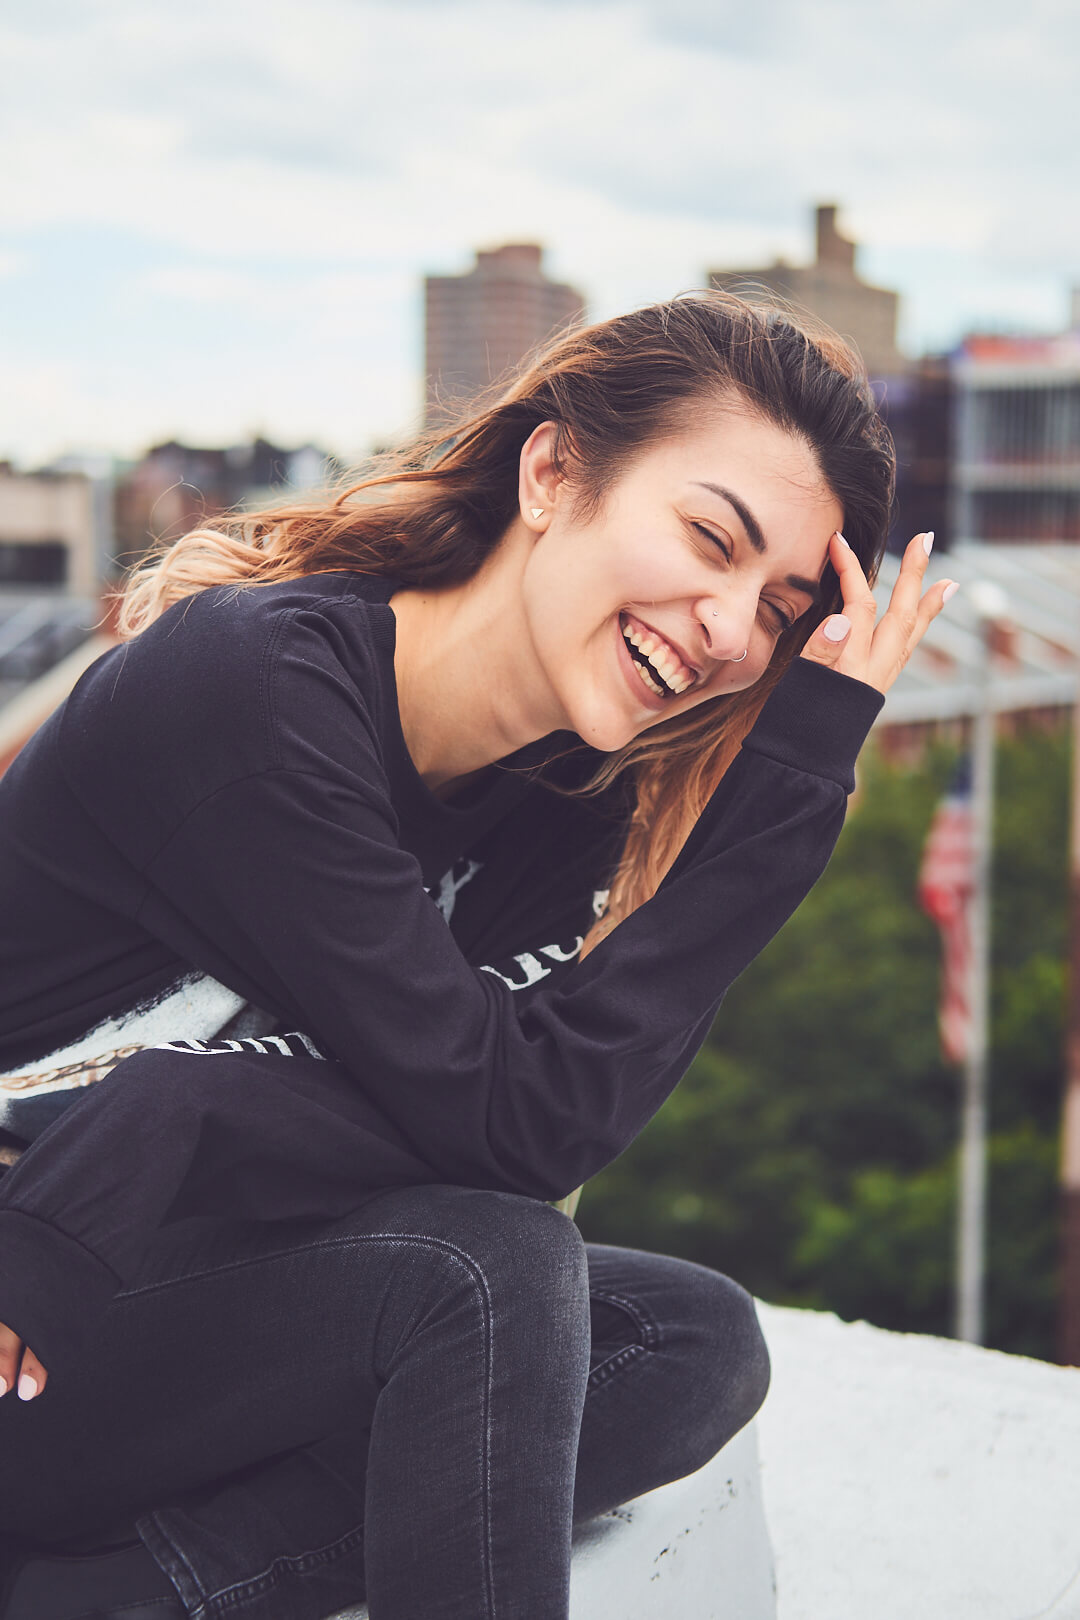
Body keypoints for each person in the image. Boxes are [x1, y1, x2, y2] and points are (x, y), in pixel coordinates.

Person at [0, 292, 953, 1620]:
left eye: (781, 607)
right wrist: (792, 785)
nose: (735, 632)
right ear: (554, 472)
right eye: (710, 538)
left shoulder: (563, 798)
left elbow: (519, 1122)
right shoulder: (261, 693)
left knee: (677, 1341)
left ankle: (128, 1590)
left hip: (149, 1278)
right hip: (27, 1295)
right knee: (482, 1272)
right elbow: (506, 1127)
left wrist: (190, 1109)